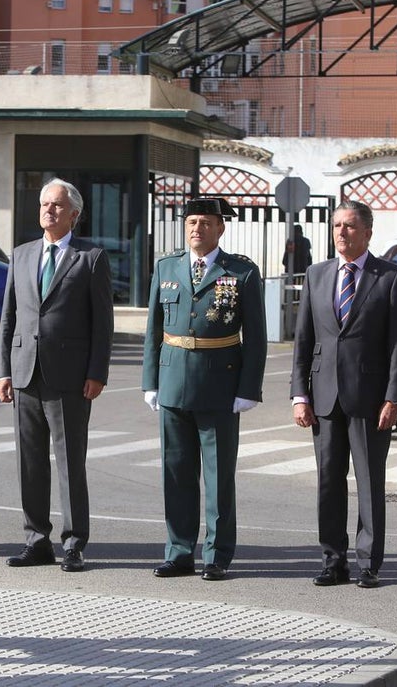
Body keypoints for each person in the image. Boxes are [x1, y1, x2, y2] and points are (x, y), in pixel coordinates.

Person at [141, 197, 267, 582]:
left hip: (219, 385)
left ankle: (216, 555)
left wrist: (248, 388)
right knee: (176, 473)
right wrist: (151, 381)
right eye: (192, 221)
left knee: (217, 477)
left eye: (206, 223)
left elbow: (257, 337)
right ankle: (179, 552)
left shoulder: (241, 272)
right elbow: (153, 330)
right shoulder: (167, 267)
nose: (197, 228)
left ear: (220, 228)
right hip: (174, 381)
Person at [290, 199, 397, 589]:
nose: (341, 233)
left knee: (369, 482)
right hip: (324, 396)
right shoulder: (317, 274)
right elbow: (303, 340)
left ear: (367, 233)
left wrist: (394, 397)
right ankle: (333, 560)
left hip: (371, 398)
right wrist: (299, 395)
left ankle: (368, 563)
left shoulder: (390, 278)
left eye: (349, 226)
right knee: (329, 481)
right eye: (337, 226)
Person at [0, 178, 113, 573]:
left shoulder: (90, 258)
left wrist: (97, 372)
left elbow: (103, 323)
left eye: (58, 205)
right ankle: (36, 540)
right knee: (29, 463)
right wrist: (3, 371)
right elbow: (8, 317)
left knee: (69, 462)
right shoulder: (22, 254)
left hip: (70, 376)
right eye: (45, 203)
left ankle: (74, 542)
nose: (49, 210)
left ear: (74, 215)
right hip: (26, 371)